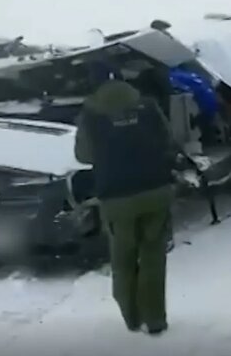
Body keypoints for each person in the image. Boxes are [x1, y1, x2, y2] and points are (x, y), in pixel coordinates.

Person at [74, 77, 176, 336]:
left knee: (123, 260)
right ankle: (155, 320)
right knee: (153, 256)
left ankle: (132, 318)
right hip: (156, 191)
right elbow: (168, 139)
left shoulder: (91, 115)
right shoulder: (148, 107)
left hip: (117, 198)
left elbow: (83, 155)